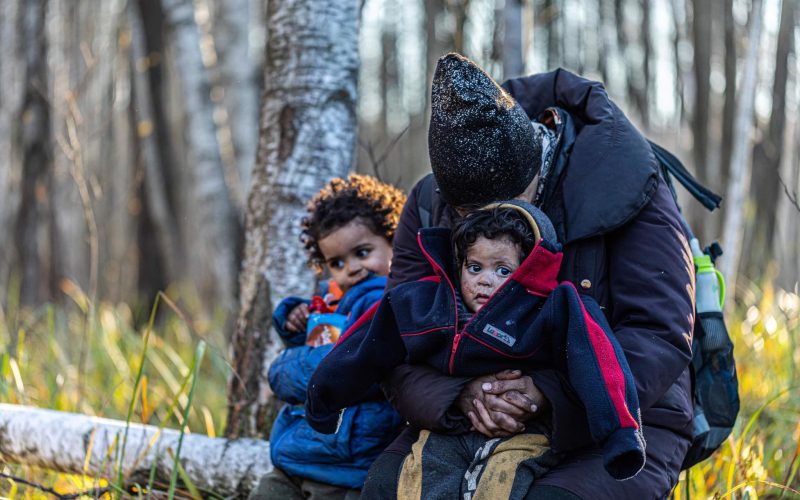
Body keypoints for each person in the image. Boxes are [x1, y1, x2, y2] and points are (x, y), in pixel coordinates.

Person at [361, 53, 694, 499]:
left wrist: (544, 393)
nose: (489, 223)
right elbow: (396, 341)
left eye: (508, 206)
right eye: (468, 217)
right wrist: (464, 395)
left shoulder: (627, 182)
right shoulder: (428, 202)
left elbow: (659, 334)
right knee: (387, 488)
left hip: (621, 414)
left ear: (534, 168)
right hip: (465, 413)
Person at [306, 203, 645, 498]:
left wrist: (620, 434)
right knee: (419, 480)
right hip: (450, 426)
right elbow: (364, 345)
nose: (484, 280)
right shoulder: (427, 303)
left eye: (502, 270)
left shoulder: (557, 306)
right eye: (475, 267)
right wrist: (325, 398)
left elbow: (600, 365)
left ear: (530, 270)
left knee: (499, 483)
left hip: (525, 430)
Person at [248, 174, 406, 500]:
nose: (352, 268)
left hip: (346, 461)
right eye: (337, 262)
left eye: (363, 252)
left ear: (393, 240)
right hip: (305, 451)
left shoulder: (388, 302)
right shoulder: (334, 301)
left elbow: (340, 366)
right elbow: (321, 353)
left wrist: (283, 369)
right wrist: (295, 323)